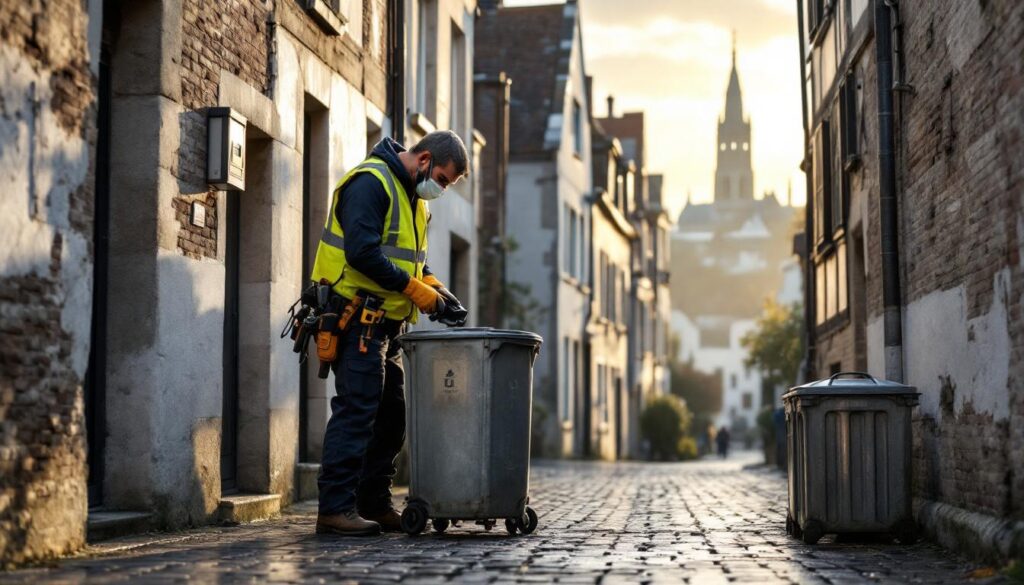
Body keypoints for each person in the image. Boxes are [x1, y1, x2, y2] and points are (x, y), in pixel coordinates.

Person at [312, 131, 469, 536]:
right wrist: (419, 293)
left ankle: (373, 504)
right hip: (355, 318)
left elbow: (413, 261)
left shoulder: (412, 198)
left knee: (391, 418)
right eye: (444, 179)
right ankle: (334, 509)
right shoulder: (371, 182)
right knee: (357, 412)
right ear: (425, 159)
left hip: (387, 327)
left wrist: (437, 290)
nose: (441, 189)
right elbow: (362, 254)